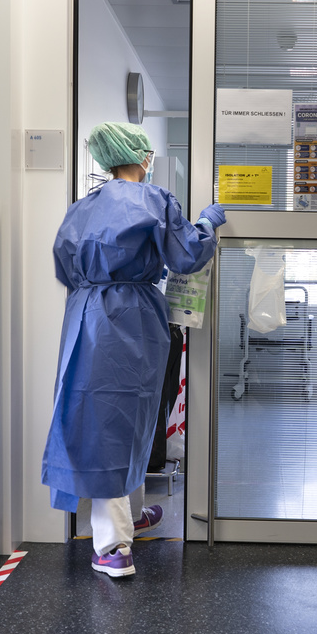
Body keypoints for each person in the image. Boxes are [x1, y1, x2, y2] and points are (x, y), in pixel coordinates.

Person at [41, 122, 225, 578]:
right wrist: (206, 223)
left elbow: (65, 266)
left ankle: (132, 514)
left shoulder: (82, 207)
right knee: (125, 421)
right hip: (135, 315)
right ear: (143, 157)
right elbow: (187, 256)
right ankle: (113, 548)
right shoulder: (155, 199)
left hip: (86, 315)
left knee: (109, 419)